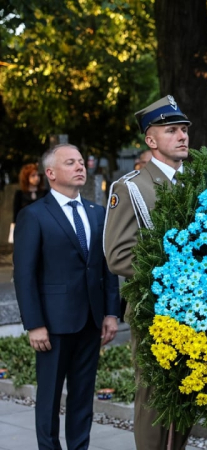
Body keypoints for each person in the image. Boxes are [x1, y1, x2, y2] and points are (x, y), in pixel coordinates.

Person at [13, 144, 120, 450]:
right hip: (52, 324)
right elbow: (25, 274)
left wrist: (111, 313)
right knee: (48, 398)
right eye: (70, 163)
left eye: (80, 162)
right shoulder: (33, 215)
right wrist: (34, 324)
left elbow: (107, 268)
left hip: (90, 321)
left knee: (83, 396)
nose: (79, 167)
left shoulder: (97, 213)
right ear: (51, 173)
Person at [103, 95, 192, 449]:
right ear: (150, 140)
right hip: (155, 312)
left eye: (184, 129)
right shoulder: (131, 188)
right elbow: (118, 255)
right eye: (171, 130)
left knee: (190, 396)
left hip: (202, 312)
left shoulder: (201, 183)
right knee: (157, 402)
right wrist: (180, 271)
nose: (183, 136)